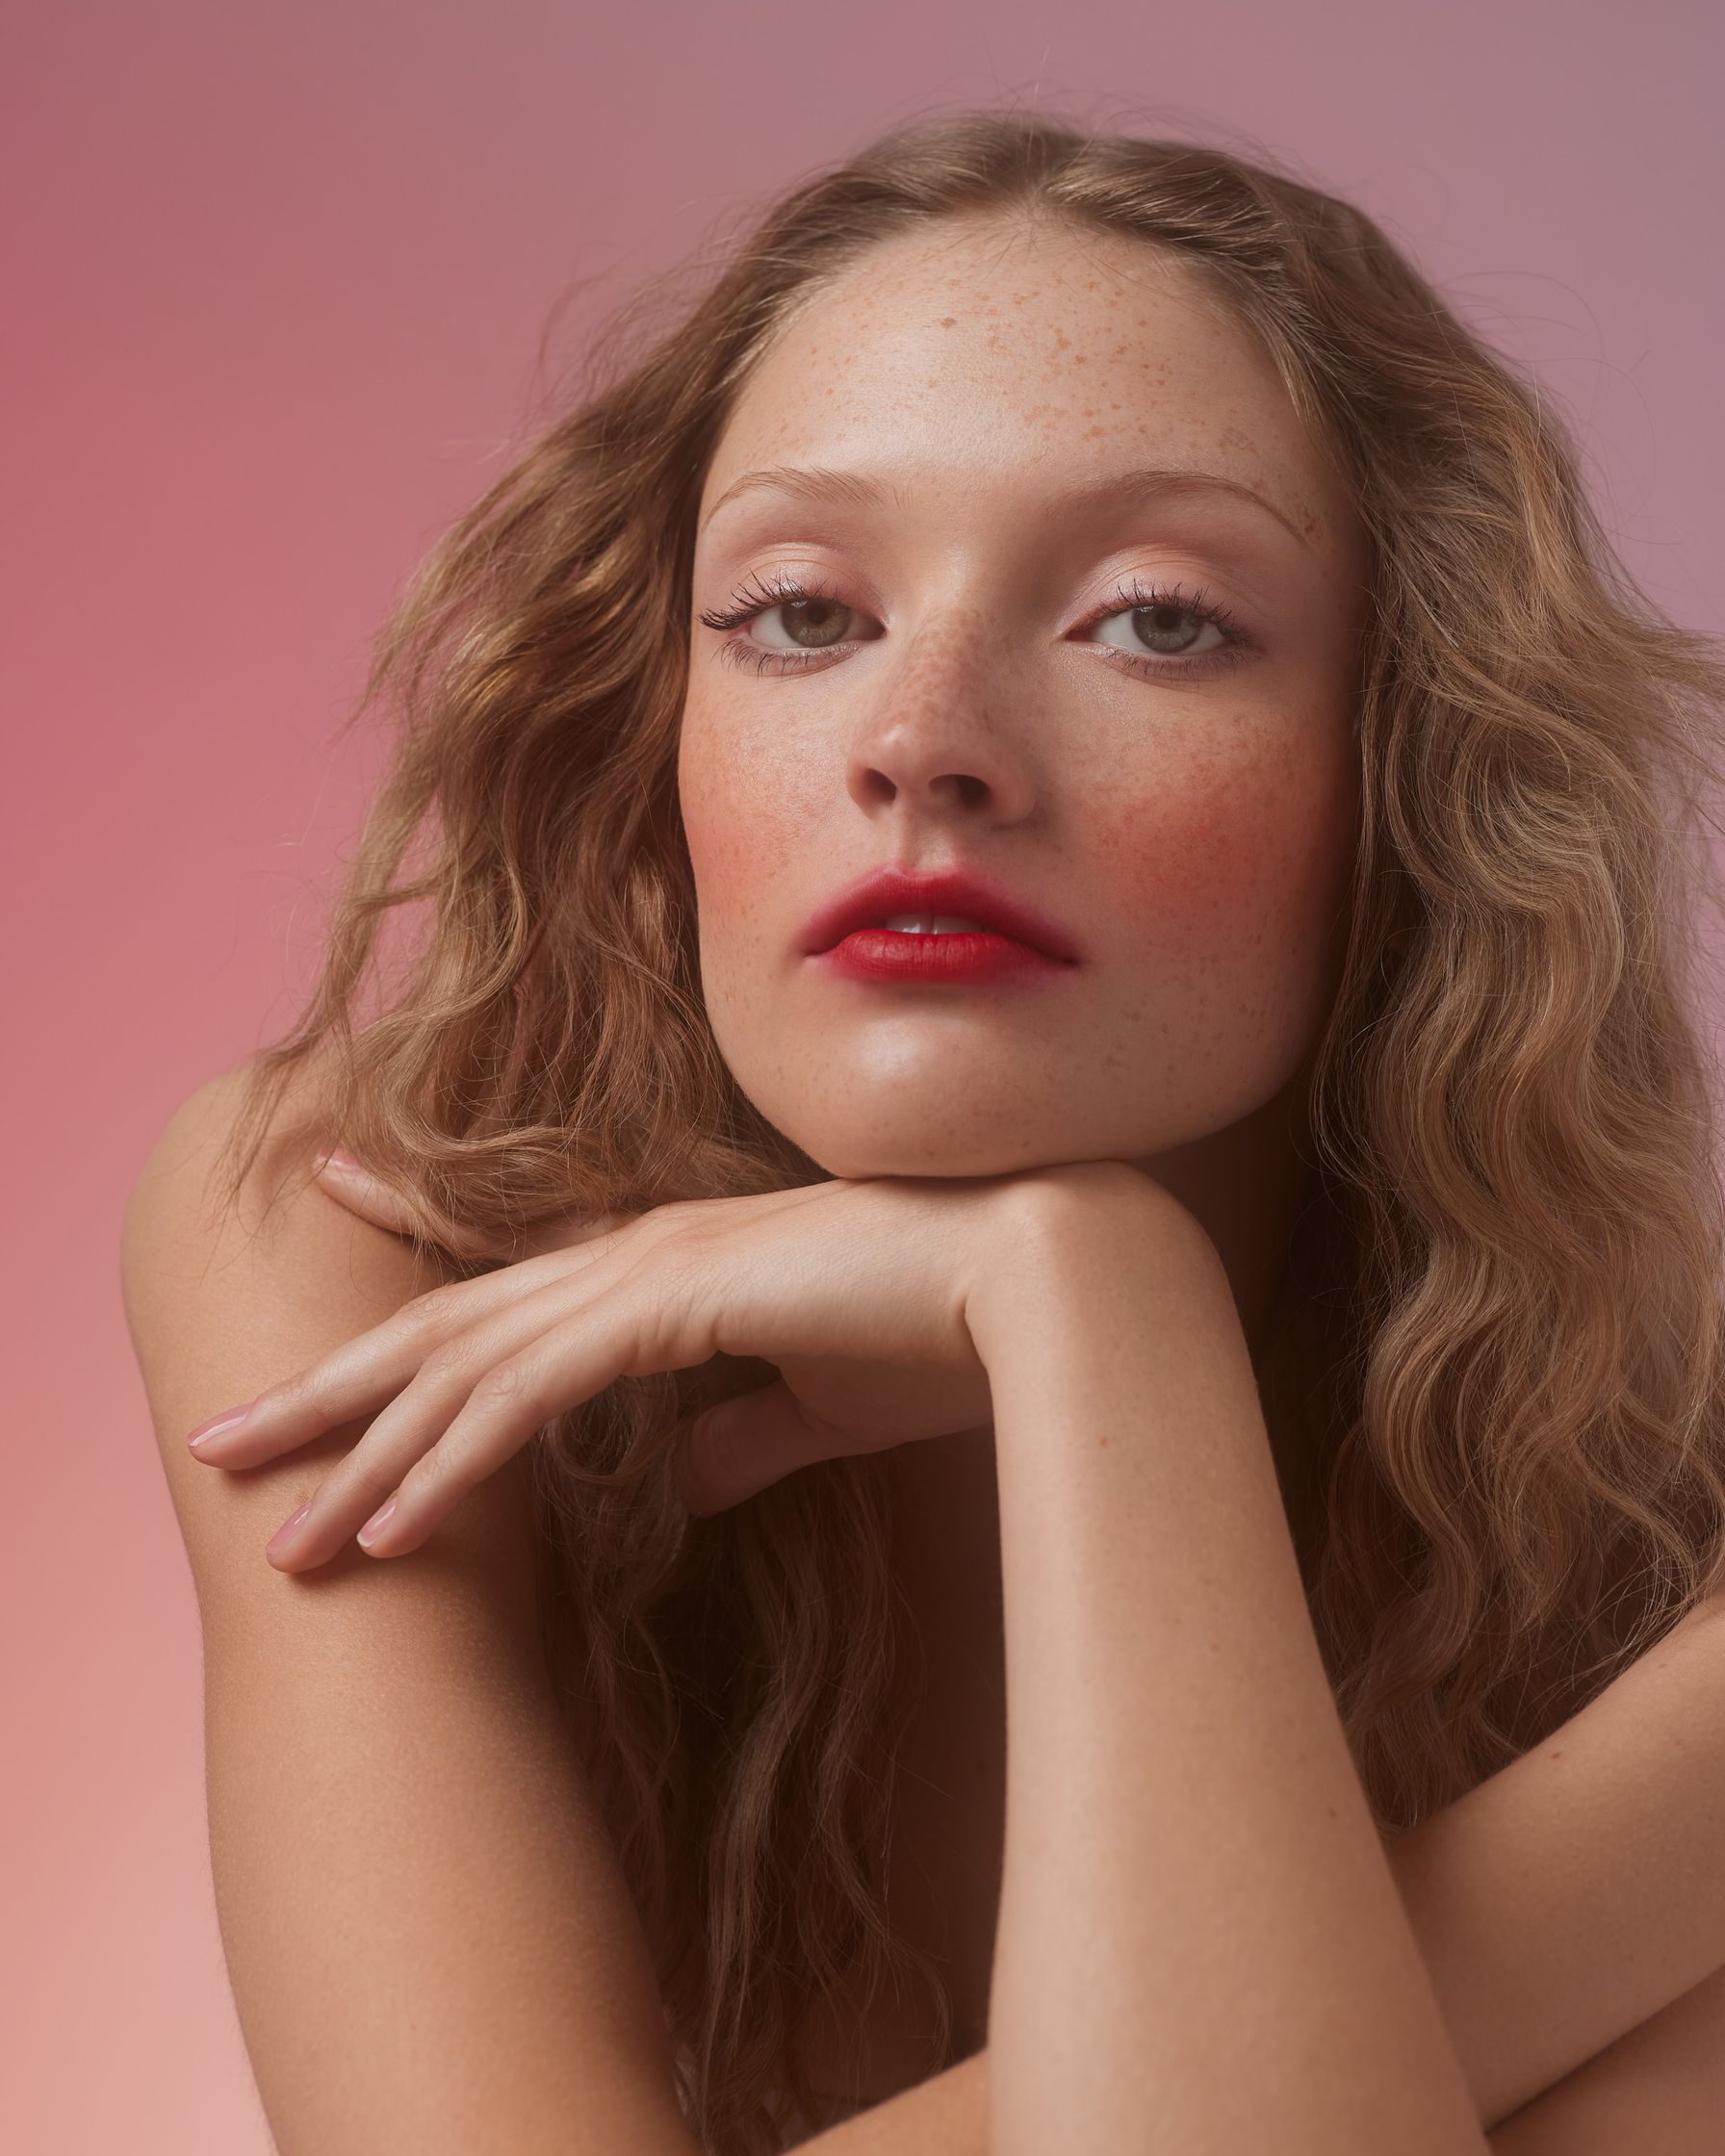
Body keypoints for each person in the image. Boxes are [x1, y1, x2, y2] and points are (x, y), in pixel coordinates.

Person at [120, 109, 1725, 2156]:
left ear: (1404, 758)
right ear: (654, 723)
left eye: (1152, 616)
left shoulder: (1655, 1539)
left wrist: (1080, 1315)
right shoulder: (372, 1228)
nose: (921, 742)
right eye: (801, 613)